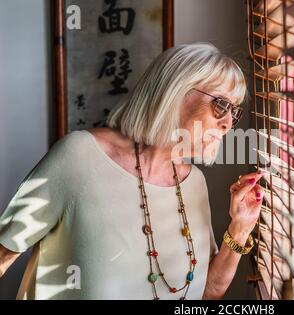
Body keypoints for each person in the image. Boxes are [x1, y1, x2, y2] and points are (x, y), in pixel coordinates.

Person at [0, 43, 264, 299]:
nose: (228, 123)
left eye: (235, 112)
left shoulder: (194, 183)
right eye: (221, 105)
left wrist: (240, 227)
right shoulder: (78, 156)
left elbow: (207, 293)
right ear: (176, 91)